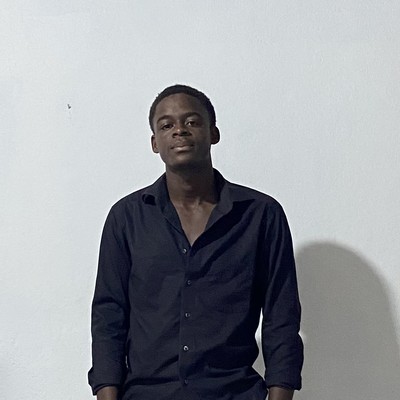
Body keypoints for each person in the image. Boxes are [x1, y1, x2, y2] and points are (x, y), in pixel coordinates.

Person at [88, 84, 303, 400]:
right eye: (166, 125)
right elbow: (109, 316)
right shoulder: (126, 218)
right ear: (155, 143)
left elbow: (281, 317)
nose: (180, 131)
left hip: (233, 393)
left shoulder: (261, 215)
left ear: (214, 133)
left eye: (192, 121)